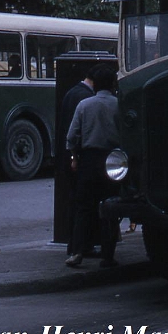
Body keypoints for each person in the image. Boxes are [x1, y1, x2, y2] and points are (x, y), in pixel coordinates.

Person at [65, 64, 120, 268]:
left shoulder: (84, 105)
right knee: (110, 208)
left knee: (84, 208)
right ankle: (108, 256)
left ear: (95, 84)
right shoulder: (119, 105)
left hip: (88, 160)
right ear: (113, 84)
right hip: (112, 162)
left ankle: (77, 251)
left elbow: (71, 137)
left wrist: (75, 157)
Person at [60, 66, 98, 258]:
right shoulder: (86, 98)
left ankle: (74, 244)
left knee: (75, 201)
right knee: (84, 204)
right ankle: (81, 245)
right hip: (81, 157)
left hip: (69, 155)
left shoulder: (71, 92)